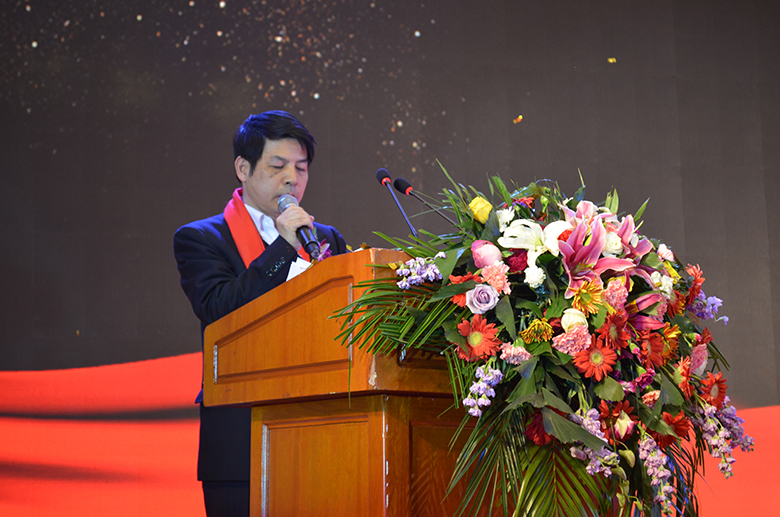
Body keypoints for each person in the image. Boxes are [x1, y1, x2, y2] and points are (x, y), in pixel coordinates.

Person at [173, 111, 348, 516]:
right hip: (241, 440)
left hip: (320, 434)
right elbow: (220, 311)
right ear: (243, 168)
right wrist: (284, 247)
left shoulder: (324, 239)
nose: (292, 179)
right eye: (277, 166)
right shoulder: (201, 238)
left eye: (301, 168)